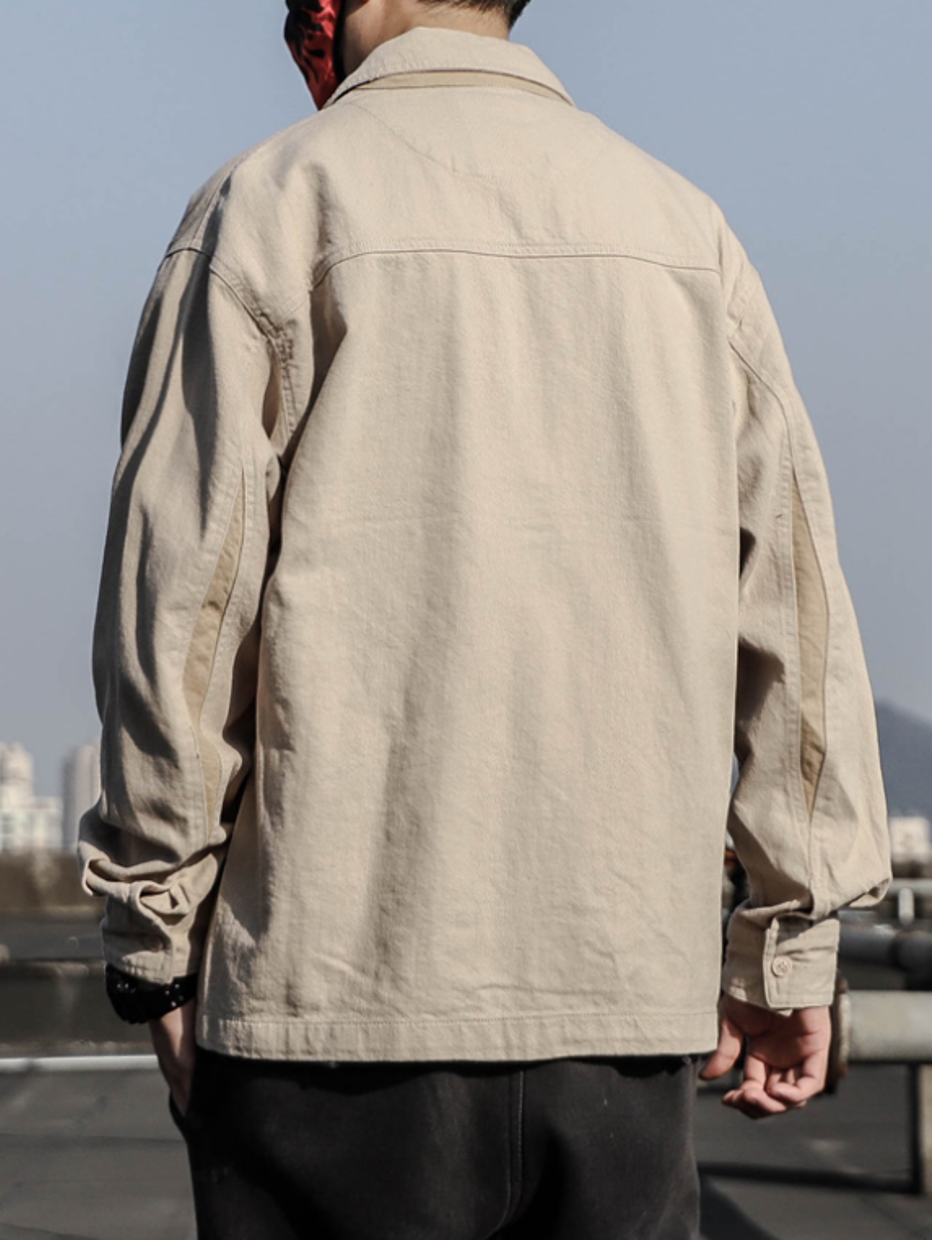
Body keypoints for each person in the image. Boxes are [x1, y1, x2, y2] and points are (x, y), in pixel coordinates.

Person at [78, 1, 892, 1236]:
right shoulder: (682, 229)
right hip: (621, 1009)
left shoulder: (269, 206)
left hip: (327, 1007)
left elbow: (177, 617)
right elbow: (795, 619)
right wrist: (787, 948)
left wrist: (154, 946)